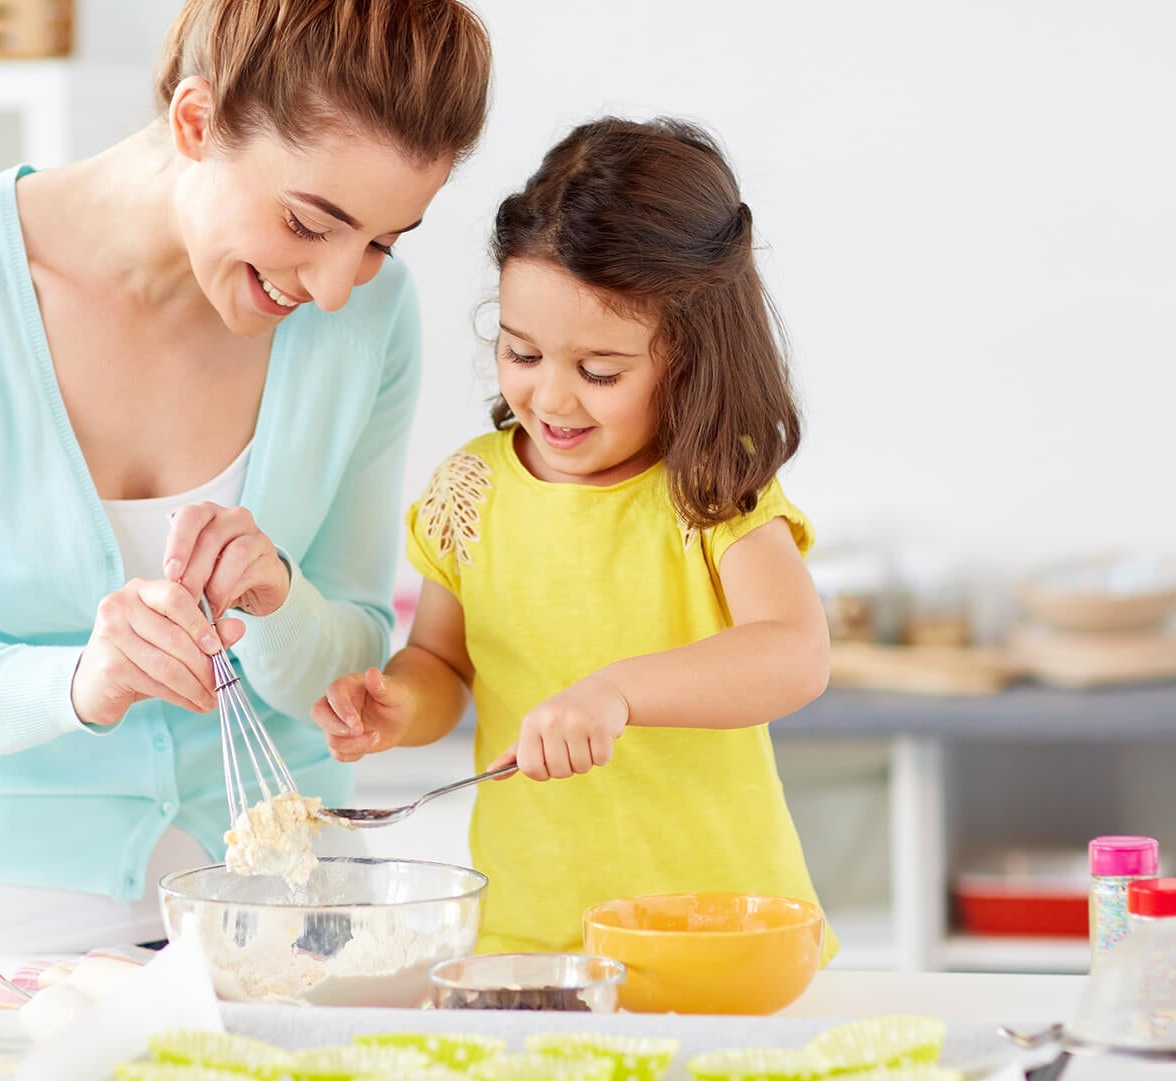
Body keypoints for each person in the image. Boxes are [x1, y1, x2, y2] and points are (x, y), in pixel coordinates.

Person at [0, 0, 491, 954]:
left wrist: (284, 603)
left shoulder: (373, 321)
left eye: (381, 241)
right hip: (7, 905)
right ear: (196, 121)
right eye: (308, 222)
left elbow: (355, 667)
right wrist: (79, 682)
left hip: (286, 897)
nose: (335, 288)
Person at [312, 117, 838, 957]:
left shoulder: (710, 489)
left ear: (692, 358)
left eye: (599, 372)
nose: (552, 398)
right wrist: (399, 705)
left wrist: (617, 691)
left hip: (718, 933)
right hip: (530, 934)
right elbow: (446, 664)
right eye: (521, 353)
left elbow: (794, 653)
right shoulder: (471, 490)